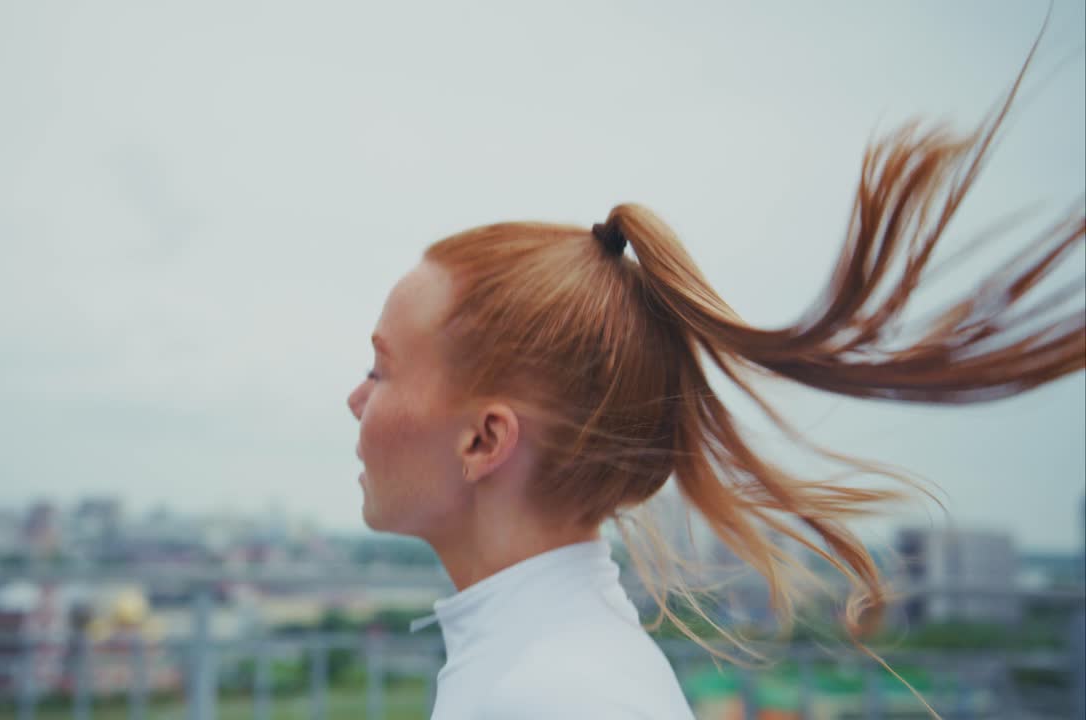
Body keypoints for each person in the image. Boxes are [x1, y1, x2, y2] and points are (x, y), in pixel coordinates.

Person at [345, 46, 1084, 719]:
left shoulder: (540, 694)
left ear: (485, 439)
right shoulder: (553, 665)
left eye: (381, 368)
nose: (356, 398)